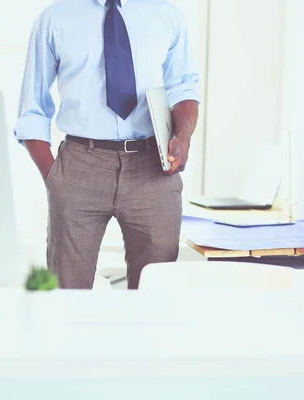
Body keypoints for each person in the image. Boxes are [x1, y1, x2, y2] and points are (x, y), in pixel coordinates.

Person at [15, 0, 200, 289]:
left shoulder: (168, 15)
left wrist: (184, 137)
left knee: (154, 296)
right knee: (66, 295)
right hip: (79, 164)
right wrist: (54, 178)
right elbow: (31, 110)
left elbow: (183, 86)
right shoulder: (54, 19)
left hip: (153, 166)